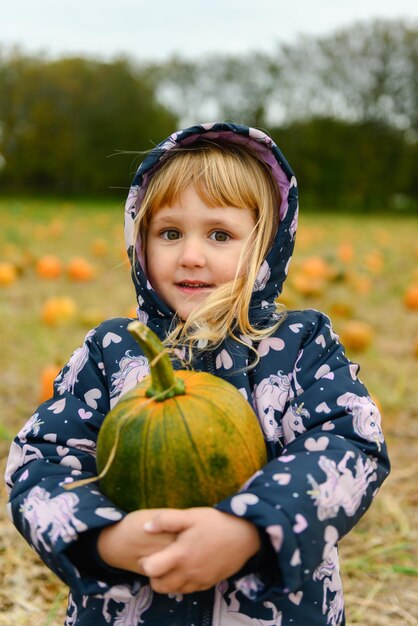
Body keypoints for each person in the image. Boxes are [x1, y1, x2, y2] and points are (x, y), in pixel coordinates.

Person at [5, 122, 390, 626]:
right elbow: (42, 458)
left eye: (219, 234)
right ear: (140, 242)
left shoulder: (300, 347)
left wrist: (251, 527)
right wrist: (101, 537)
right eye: (169, 233)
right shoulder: (112, 352)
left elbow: (350, 445)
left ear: (265, 246)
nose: (190, 255)